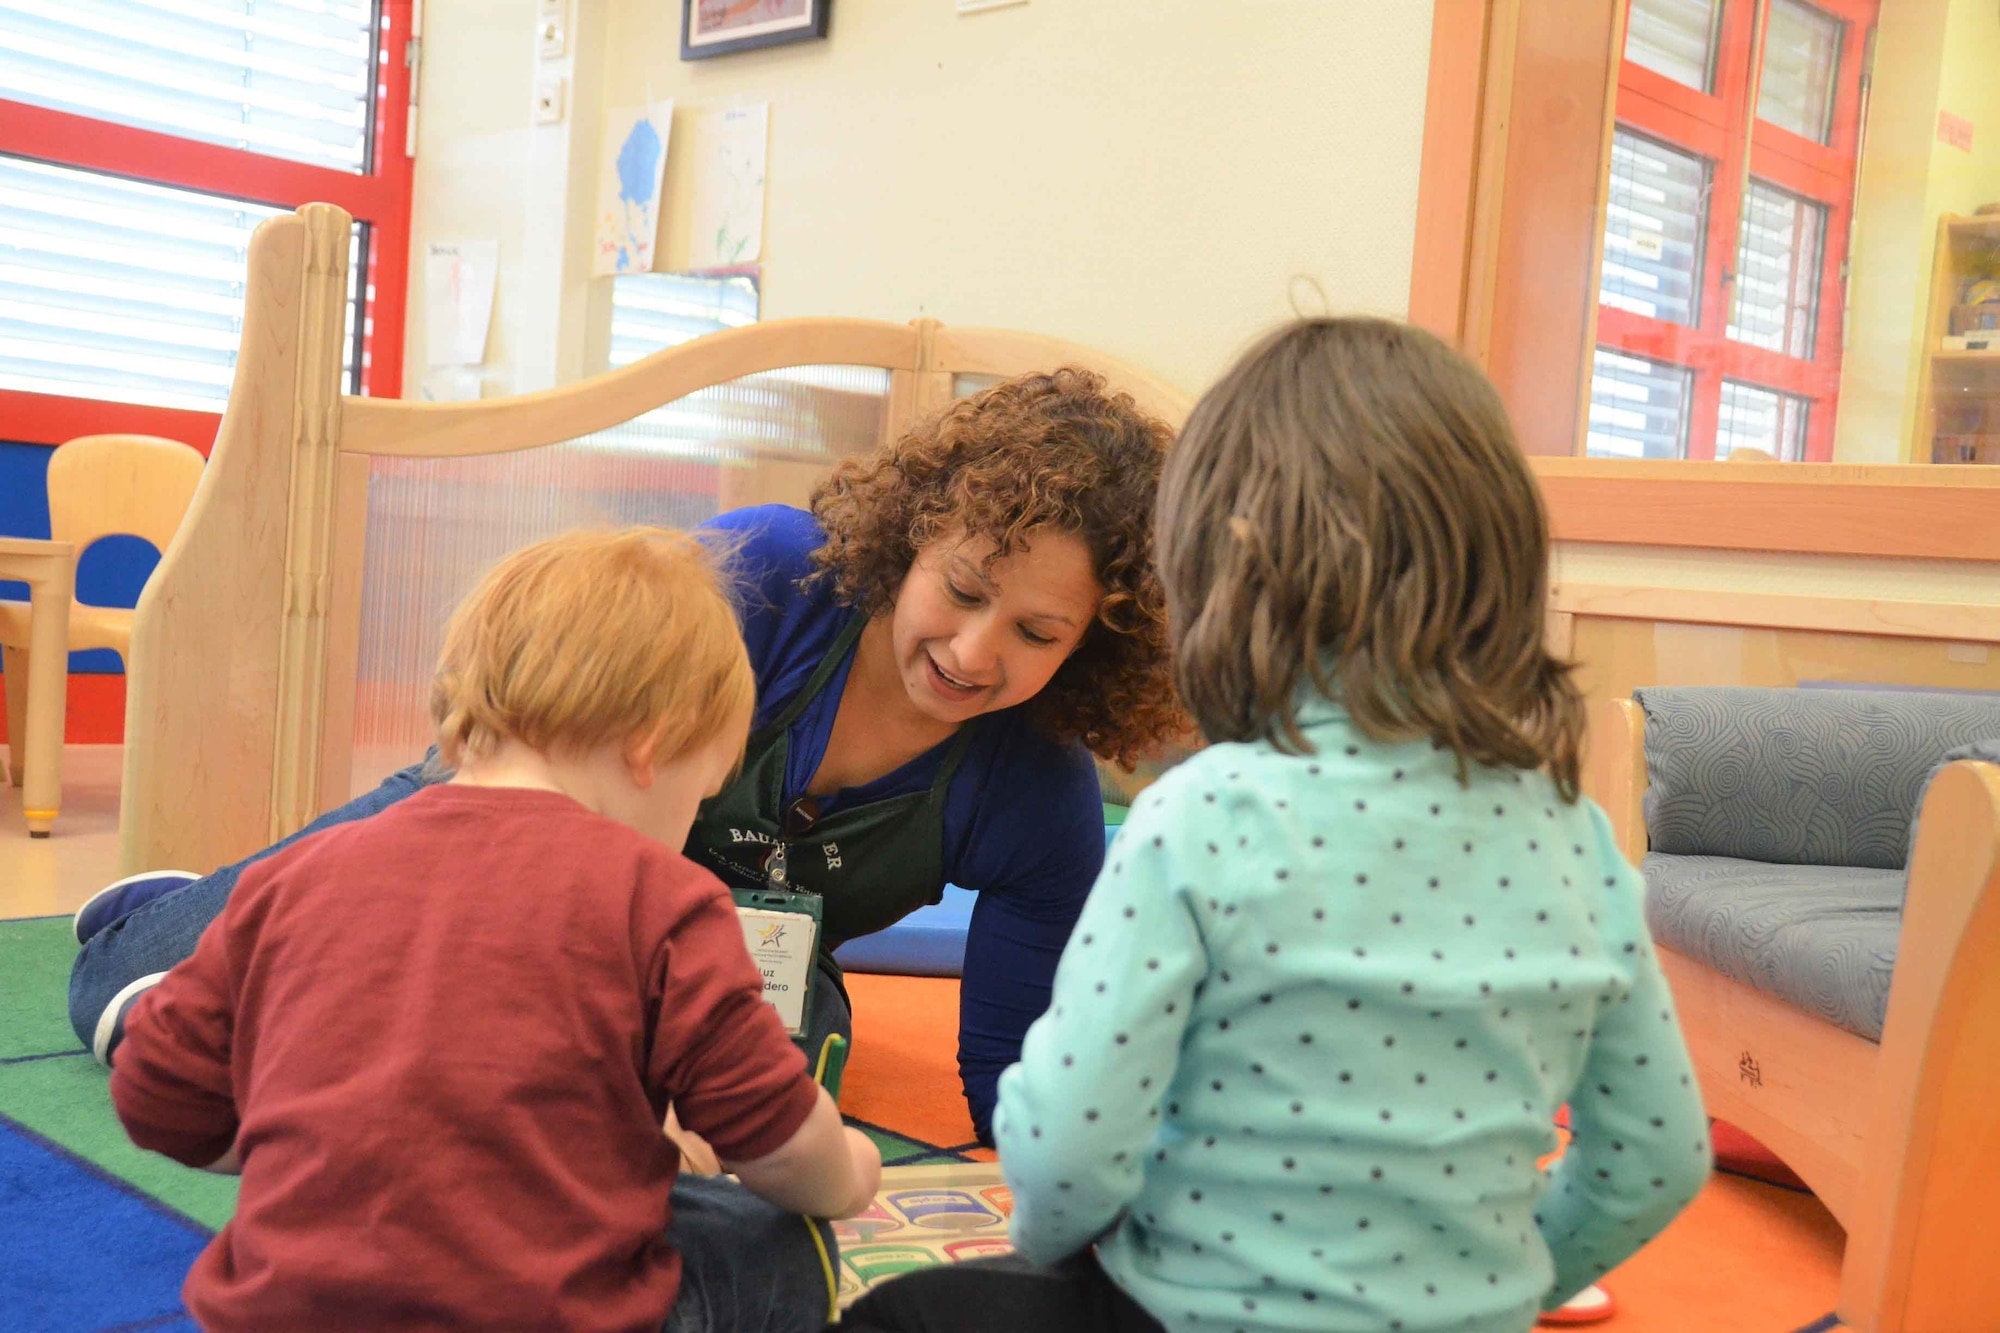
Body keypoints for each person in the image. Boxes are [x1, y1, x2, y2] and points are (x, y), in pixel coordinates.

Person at [836, 318, 1711, 1333]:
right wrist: (1510, 1287)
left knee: (894, 1314)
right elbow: (1658, 1155)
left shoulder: (1202, 819)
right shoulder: (1572, 841)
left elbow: (1071, 1141)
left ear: (1220, 577)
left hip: (1185, 1311)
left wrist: (1046, 1248)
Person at [71, 368, 1186, 1145]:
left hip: (715, 958)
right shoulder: (773, 574)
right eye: (962, 589)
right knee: (130, 997)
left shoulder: (1037, 788)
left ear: (1095, 644)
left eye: (1037, 634)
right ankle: (167, 913)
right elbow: (537, 759)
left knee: (769, 1093)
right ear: (911, 539)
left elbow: (1010, 1075)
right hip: (505, 843)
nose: (972, 650)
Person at [109, 529, 882, 1332]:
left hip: (281, 1312)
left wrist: (294, 1147)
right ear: (654, 744)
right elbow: (774, 1136)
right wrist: (849, 1175)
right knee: (772, 1241)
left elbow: (153, 1087)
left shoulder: (298, 874)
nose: (689, 826)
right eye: (700, 795)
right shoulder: (663, 897)